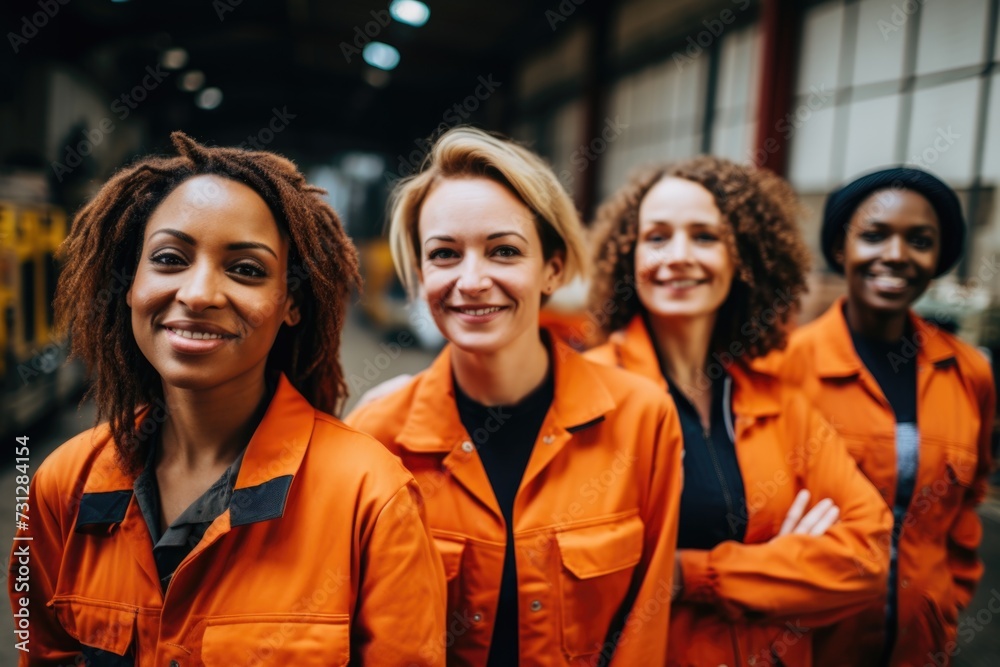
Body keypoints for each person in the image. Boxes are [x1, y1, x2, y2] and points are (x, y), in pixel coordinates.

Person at [8, 132, 446, 666]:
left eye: (246, 269)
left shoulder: (371, 500)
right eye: (169, 258)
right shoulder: (61, 486)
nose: (197, 294)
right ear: (128, 283)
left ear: (291, 303)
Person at [345, 126, 685, 666]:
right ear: (420, 273)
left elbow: (645, 619)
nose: (473, 279)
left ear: (551, 267)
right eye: (445, 254)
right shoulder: (376, 437)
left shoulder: (642, 418)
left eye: (504, 251)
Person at [585, 156, 892, 667]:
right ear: (628, 256)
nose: (678, 256)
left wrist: (691, 574)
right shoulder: (589, 395)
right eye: (656, 237)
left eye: (705, 237)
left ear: (743, 257)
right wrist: (782, 566)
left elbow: (866, 558)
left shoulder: (781, 402)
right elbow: (587, 577)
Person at [782, 167, 996, 667]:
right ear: (841, 249)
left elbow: (970, 496)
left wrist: (948, 594)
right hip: (810, 642)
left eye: (919, 240)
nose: (895, 255)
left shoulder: (968, 373)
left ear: (938, 257)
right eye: (874, 235)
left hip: (918, 646)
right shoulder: (785, 369)